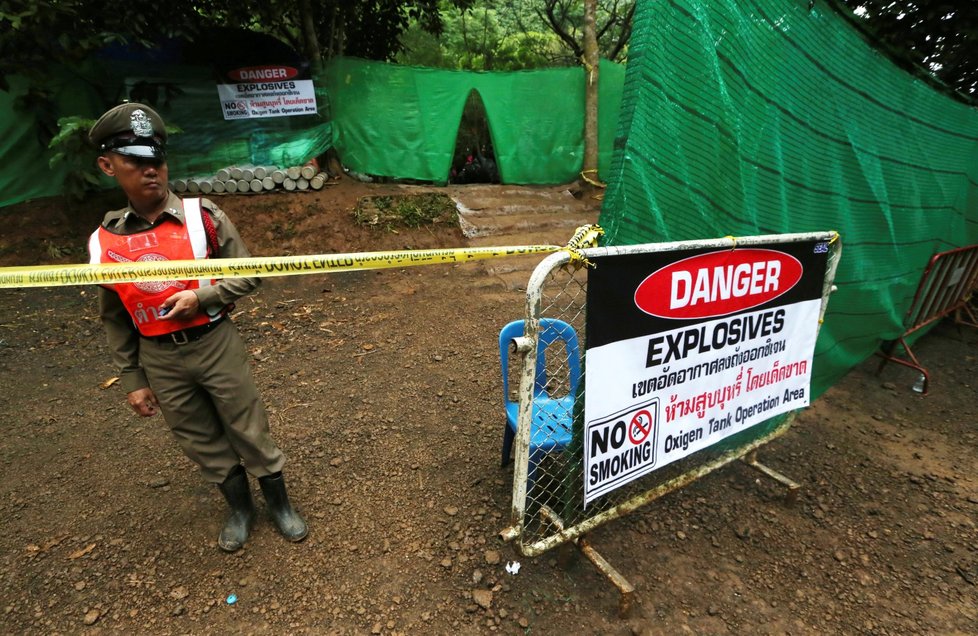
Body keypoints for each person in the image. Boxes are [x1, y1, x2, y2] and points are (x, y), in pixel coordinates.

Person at [86, 102, 307, 552]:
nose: (152, 172)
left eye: (158, 161)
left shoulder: (202, 217)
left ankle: (279, 505)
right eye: (136, 162)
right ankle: (240, 509)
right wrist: (133, 378)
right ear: (108, 166)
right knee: (197, 436)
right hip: (158, 356)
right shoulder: (105, 239)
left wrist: (202, 297)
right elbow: (114, 315)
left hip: (214, 342)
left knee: (248, 426)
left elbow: (249, 272)